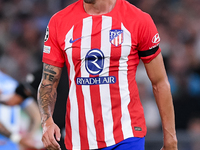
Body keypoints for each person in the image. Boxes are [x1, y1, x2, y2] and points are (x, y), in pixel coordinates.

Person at [37, 0, 178, 150]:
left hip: (127, 133)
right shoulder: (59, 22)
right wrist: (46, 122)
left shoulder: (138, 19)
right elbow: (48, 83)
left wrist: (170, 138)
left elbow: (160, 82)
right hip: (80, 140)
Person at [0, 70, 42, 150]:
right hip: (13, 145)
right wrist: (27, 138)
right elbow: (36, 115)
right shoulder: (12, 83)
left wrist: (20, 139)